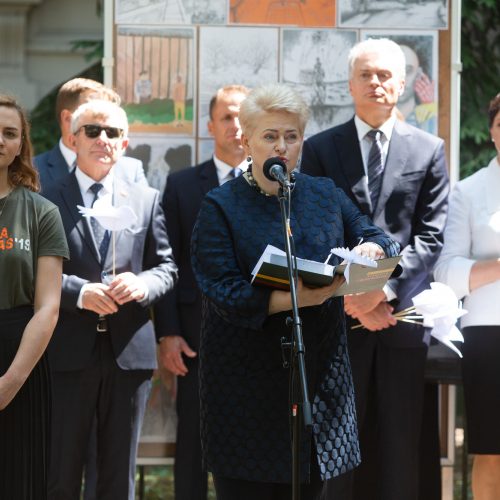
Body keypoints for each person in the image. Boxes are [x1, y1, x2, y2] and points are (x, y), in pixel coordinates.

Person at [190, 83, 400, 500]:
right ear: (246, 139)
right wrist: (298, 299)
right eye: (270, 136)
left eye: (291, 136)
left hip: (317, 381)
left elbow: (379, 238)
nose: (282, 147)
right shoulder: (220, 205)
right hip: (243, 386)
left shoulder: (324, 194)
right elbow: (222, 291)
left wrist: (369, 249)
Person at [301, 38, 449, 500]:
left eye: (385, 74)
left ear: (402, 83)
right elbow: (315, 232)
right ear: (350, 84)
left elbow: (430, 236)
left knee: (399, 452)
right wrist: (354, 298)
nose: (375, 82)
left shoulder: (429, 149)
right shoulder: (321, 149)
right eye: (366, 74)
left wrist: (380, 294)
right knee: (336, 452)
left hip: (399, 323)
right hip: (340, 324)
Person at [42, 99, 177, 500]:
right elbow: (34, 271)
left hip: (127, 353)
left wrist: (143, 285)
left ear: (125, 143)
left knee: (118, 476)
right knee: (61, 472)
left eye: (113, 132)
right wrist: (79, 292)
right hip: (67, 351)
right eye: (93, 131)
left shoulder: (146, 199)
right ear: (73, 138)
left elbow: (166, 268)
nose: (103, 139)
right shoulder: (45, 198)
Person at [155, 83, 250, 500]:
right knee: (194, 442)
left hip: (259, 332)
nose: (236, 125)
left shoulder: (274, 185)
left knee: (255, 442)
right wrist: (168, 333)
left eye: (244, 117)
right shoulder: (181, 185)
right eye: (227, 116)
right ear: (210, 125)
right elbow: (168, 263)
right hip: (196, 337)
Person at [0, 94, 69, 499]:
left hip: (20, 354)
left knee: (19, 480)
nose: (1, 141)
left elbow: (48, 306)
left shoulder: (42, 212)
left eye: (10, 133)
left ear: (21, 144)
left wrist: (11, 381)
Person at [434, 93, 500, 500]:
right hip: (489, 333)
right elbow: (446, 271)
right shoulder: (469, 191)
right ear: (493, 132)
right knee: (492, 452)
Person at [34, 77, 147, 192]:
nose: (103, 117)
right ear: (68, 118)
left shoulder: (130, 170)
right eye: (92, 110)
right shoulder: (33, 170)